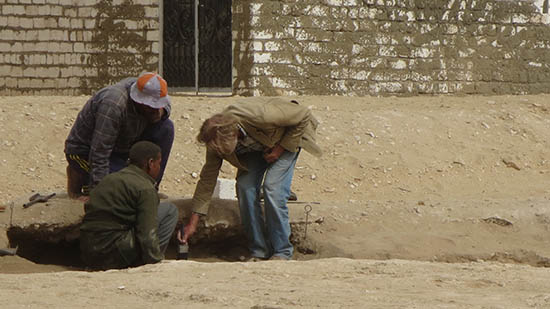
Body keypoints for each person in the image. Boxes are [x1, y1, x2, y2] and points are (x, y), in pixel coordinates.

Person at [179, 98, 322, 261]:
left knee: (273, 189)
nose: (219, 153)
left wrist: (279, 149)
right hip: (258, 146)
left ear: (233, 136)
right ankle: (259, 250)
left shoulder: (262, 116)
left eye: (221, 150)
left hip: (287, 137)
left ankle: (282, 251)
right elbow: (207, 181)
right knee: (245, 187)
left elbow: (304, 115)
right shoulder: (216, 140)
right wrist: (193, 223)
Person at [64, 72, 174, 201]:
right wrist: (100, 194)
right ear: (139, 101)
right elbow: (99, 152)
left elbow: (165, 109)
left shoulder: (155, 92)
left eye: (158, 107)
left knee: (166, 128)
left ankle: (149, 189)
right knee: (119, 189)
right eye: (151, 108)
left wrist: (160, 114)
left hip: (122, 148)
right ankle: (78, 175)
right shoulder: (113, 104)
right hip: (87, 152)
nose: (156, 110)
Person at [80, 141, 178, 270]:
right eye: (159, 164)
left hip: (89, 253)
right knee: (169, 210)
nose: (159, 168)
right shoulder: (145, 188)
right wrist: (154, 261)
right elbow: (147, 234)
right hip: (116, 254)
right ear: (150, 163)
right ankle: (150, 262)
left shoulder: (108, 179)